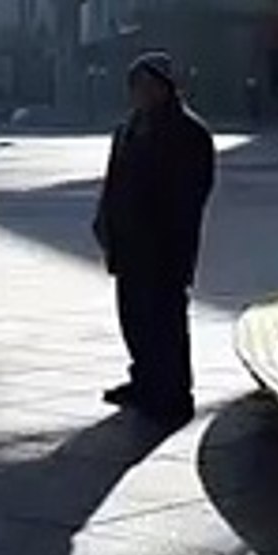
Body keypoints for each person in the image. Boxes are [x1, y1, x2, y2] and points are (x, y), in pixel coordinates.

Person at [93, 52, 216, 427]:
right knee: (134, 317)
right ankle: (144, 380)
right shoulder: (129, 128)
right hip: (128, 243)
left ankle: (174, 392)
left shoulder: (188, 132)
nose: (143, 94)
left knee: (165, 319)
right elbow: (114, 181)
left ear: (167, 87)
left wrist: (165, 231)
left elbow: (192, 192)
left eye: (150, 86)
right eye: (137, 86)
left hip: (164, 245)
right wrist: (105, 221)